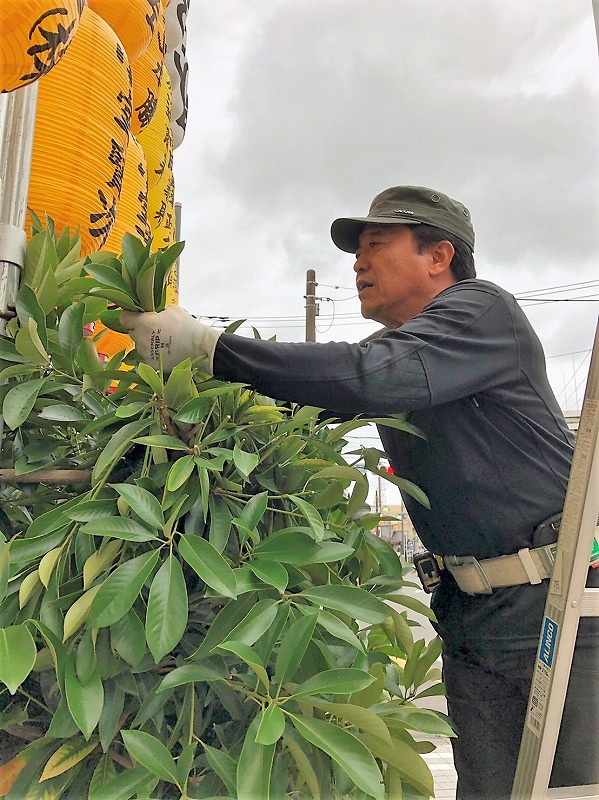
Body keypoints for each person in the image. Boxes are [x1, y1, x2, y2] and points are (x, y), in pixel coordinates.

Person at [121, 185, 599, 799]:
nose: (357, 263)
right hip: (475, 613)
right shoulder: (405, 352)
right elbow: (321, 390)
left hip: (555, 600)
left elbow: (364, 376)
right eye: (357, 252)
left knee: (571, 790)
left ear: (439, 256)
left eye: (376, 245)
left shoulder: (482, 311)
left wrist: (214, 349)